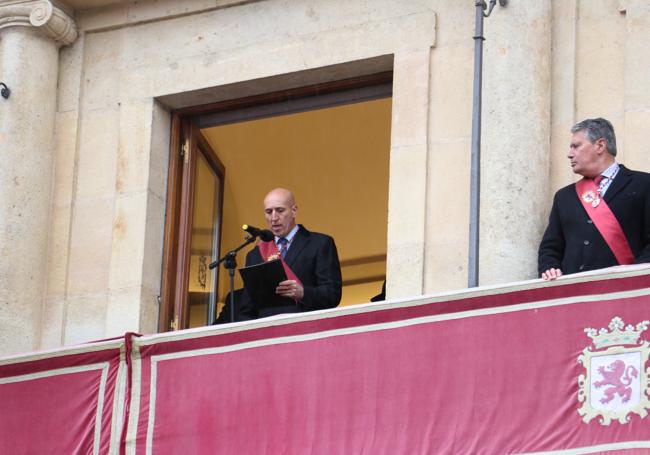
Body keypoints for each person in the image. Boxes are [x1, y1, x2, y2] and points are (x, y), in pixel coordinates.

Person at [538, 118, 650, 280]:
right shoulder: (564, 196)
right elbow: (550, 248)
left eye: (576, 146)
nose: (569, 154)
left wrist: (635, 278)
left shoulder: (644, 184)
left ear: (600, 145)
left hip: (625, 294)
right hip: (574, 295)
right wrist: (550, 267)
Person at [230, 187, 342, 320]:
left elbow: (333, 295)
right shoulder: (254, 255)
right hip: (268, 334)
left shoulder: (320, 244)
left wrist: (303, 293)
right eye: (268, 212)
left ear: (294, 211)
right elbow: (247, 309)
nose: (273, 218)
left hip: (306, 329)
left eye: (280, 210)